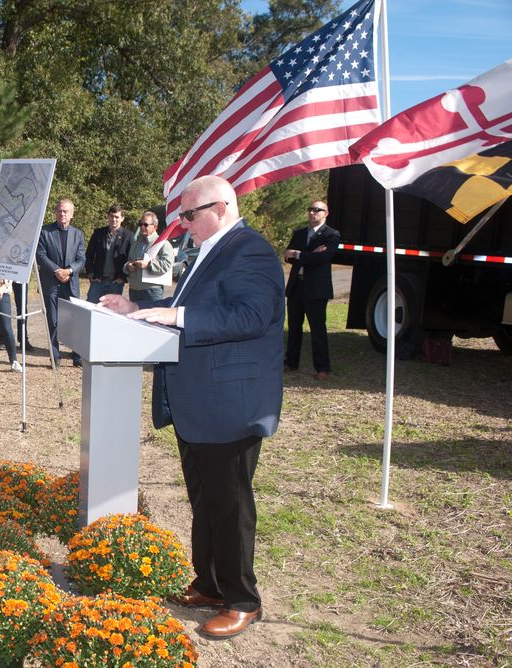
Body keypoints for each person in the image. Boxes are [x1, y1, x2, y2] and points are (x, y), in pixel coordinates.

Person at [100, 175, 284, 640]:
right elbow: (187, 308)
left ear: (220, 208)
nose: (181, 225)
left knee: (231, 504)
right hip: (200, 402)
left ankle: (243, 600)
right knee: (205, 500)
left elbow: (251, 315)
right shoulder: (207, 250)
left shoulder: (251, 250)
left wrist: (174, 314)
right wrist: (135, 308)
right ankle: (209, 584)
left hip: (230, 403)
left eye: (189, 215)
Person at [283, 200, 339, 380]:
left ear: (326, 213)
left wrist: (299, 254)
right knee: (293, 327)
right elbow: (287, 256)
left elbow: (324, 257)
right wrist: (310, 255)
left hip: (316, 289)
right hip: (296, 286)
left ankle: (323, 369)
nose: (312, 213)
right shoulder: (299, 233)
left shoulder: (331, 235)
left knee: (317, 329)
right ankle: (290, 363)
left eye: (317, 210)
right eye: (310, 209)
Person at [35, 198, 85, 366]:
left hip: (70, 283)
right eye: (60, 210)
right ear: (55, 212)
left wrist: (69, 270)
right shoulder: (44, 232)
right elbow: (40, 255)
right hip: (51, 283)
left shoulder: (78, 234)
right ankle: (55, 357)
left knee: (74, 320)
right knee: (53, 320)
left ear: (72, 214)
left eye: (66, 211)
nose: (62, 214)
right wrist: (57, 270)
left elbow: (81, 259)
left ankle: (77, 357)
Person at [84, 204, 132, 303]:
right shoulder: (98, 233)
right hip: (98, 281)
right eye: (111, 216)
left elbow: (130, 259)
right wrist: (90, 273)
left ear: (122, 218)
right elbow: (89, 254)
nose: (114, 219)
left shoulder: (128, 236)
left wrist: (123, 278)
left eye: (117, 217)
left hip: (115, 283)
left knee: (111, 312)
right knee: (91, 309)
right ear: (108, 217)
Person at [124, 211, 175, 302]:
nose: (142, 227)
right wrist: (128, 266)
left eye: (146, 224)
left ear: (155, 227)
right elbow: (129, 261)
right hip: (134, 290)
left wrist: (148, 265)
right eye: (140, 224)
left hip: (152, 291)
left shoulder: (163, 244)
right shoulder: (135, 244)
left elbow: (167, 265)